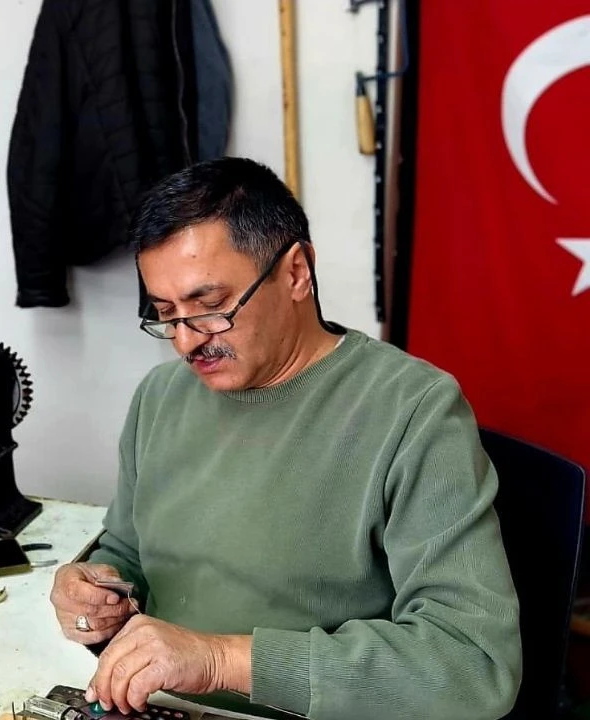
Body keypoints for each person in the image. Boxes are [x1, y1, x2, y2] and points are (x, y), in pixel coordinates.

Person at [49, 157, 522, 719]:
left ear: (296, 272)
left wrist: (219, 661)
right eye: (165, 313)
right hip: (157, 707)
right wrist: (96, 589)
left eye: (211, 307)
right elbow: (128, 550)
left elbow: (472, 665)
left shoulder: (413, 411)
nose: (186, 342)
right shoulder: (161, 396)